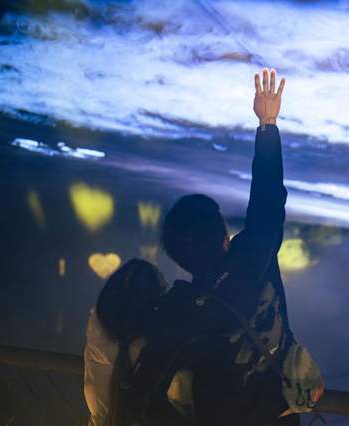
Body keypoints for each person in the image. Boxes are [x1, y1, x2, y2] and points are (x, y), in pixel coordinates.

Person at [125, 68, 299, 426]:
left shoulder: (178, 309)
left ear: (180, 258)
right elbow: (267, 202)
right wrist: (267, 124)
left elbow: (148, 386)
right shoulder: (253, 260)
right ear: (224, 238)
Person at [84, 259, 193, 426]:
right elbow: (184, 394)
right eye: (162, 293)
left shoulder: (97, 339)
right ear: (152, 306)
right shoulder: (156, 356)